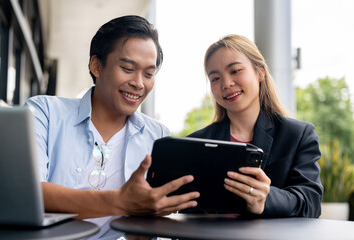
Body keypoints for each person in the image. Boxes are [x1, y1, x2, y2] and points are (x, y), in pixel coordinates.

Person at [26, 15, 199, 239]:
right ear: (96, 66)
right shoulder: (45, 112)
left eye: (148, 74)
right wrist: (122, 202)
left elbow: (146, 228)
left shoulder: (158, 136)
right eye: (128, 68)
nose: (139, 83)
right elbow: (30, 194)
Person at [188, 34, 323, 218]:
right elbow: (187, 211)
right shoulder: (195, 143)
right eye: (215, 78)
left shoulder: (298, 135)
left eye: (235, 71)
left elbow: (310, 203)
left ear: (260, 72)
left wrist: (266, 199)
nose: (226, 83)